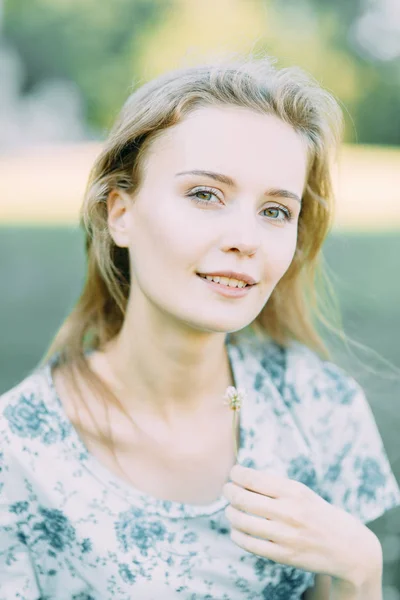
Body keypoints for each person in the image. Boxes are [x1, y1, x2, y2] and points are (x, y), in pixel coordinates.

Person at [1, 54, 399, 600]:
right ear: (121, 213)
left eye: (276, 210)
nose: (247, 238)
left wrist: (360, 569)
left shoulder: (318, 406)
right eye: (205, 195)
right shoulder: (18, 454)